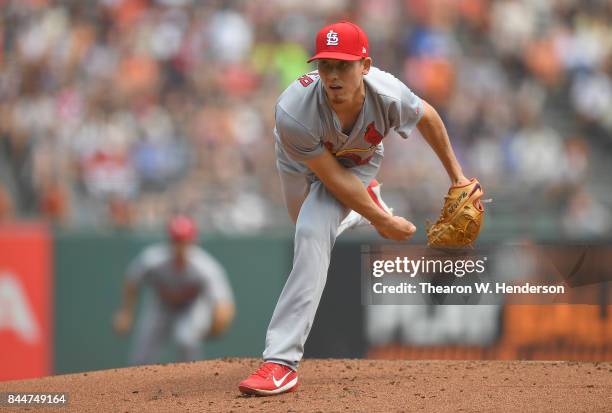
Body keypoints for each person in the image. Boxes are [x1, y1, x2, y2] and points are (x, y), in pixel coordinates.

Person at [238, 21, 473, 396]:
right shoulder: (293, 111)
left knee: (313, 231)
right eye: (325, 65)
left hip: (359, 161)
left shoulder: (388, 92)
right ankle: (367, 204)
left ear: (365, 65)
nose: (332, 75)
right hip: (301, 163)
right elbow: (330, 177)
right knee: (305, 224)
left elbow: (427, 117)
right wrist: (383, 220)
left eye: (343, 65)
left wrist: (458, 177)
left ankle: (280, 362)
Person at [113, 214, 235, 364]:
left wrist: (219, 321)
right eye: (176, 241)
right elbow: (132, 281)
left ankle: (191, 380)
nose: (180, 246)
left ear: (193, 241)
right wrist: (126, 312)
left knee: (186, 339)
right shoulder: (153, 259)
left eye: (184, 241)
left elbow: (223, 303)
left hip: (191, 307)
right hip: (161, 307)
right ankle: (136, 385)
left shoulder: (205, 266)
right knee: (141, 355)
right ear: (169, 241)